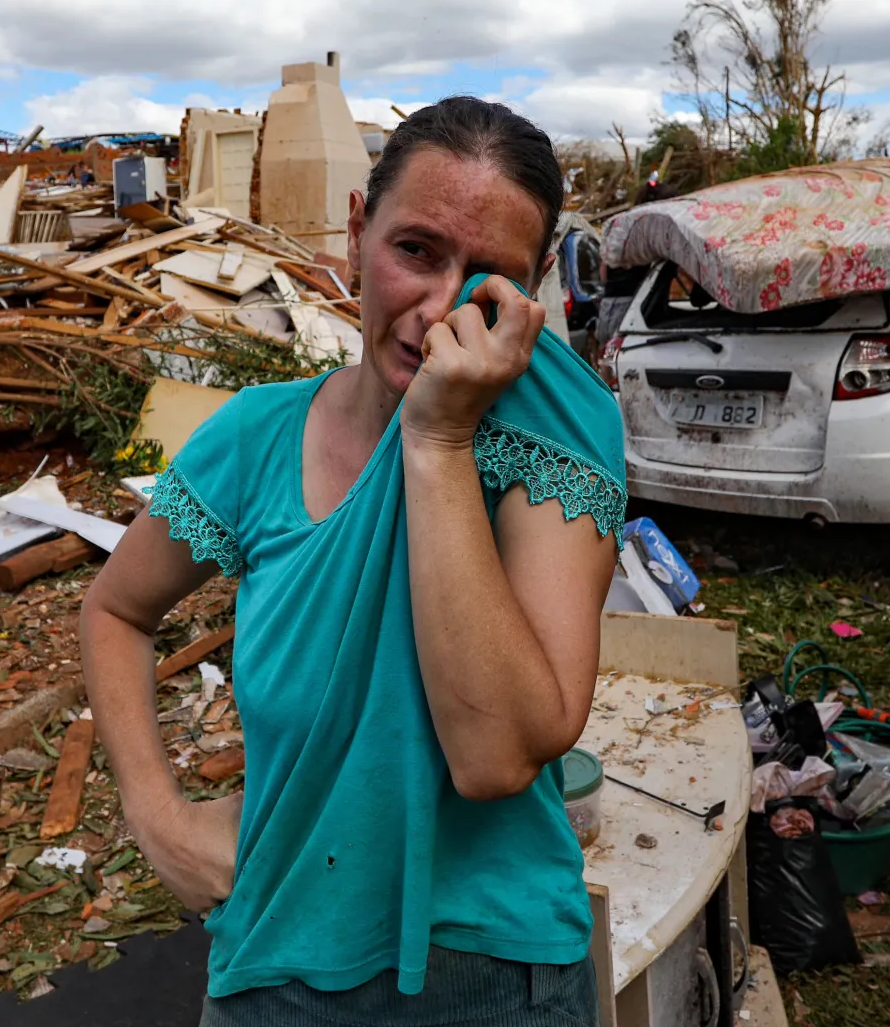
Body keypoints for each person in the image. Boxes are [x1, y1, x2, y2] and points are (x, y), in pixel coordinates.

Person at [81, 96, 627, 1026]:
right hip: (275, 959)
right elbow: (115, 612)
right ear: (354, 233)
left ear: (532, 296)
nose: (438, 308)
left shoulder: (557, 433)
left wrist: (442, 440)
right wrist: (159, 817)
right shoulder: (257, 438)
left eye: (487, 277)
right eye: (415, 251)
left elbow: (494, 756)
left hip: (498, 981)